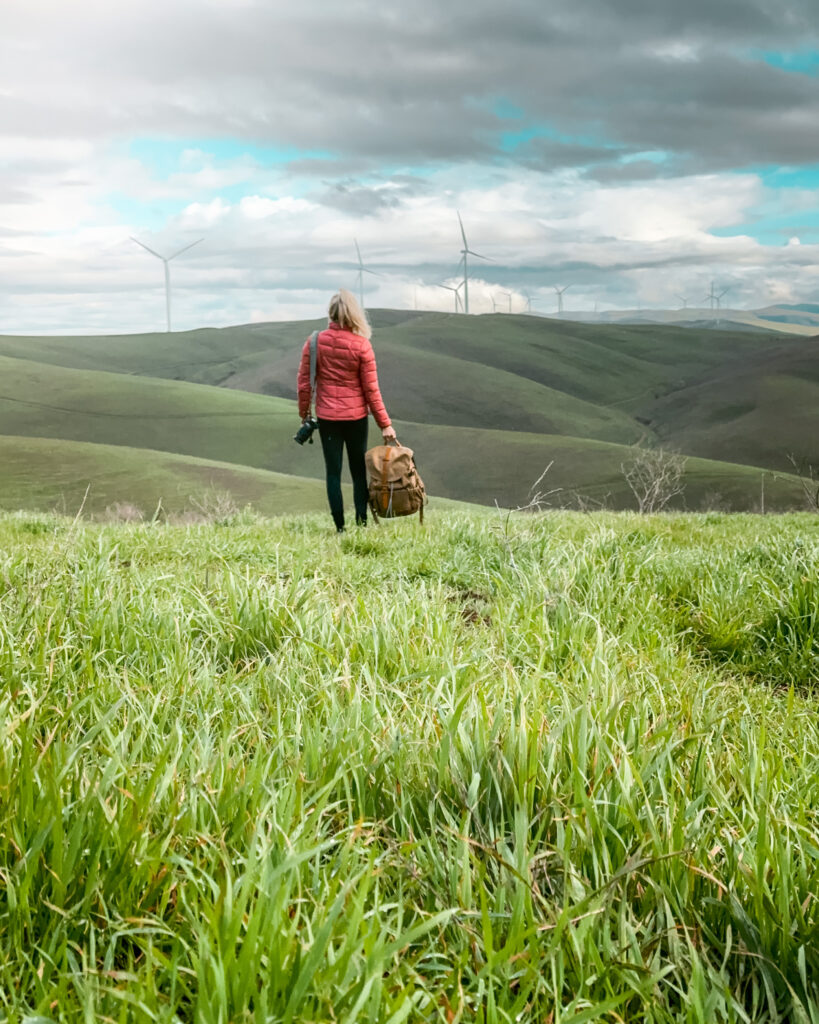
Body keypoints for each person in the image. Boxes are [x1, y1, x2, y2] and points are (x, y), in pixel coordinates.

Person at [297, 289, 396, 532]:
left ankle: (340, 528)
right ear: (354, 314)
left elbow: (303, 383)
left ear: (330, 313)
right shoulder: (362, 345)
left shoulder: (314, 341)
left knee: (333, 472)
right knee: (358, 472)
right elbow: (372, 390)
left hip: (327, 417)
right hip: (356, 417)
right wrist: (385, 424)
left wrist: (304, 415)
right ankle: (361, 524)